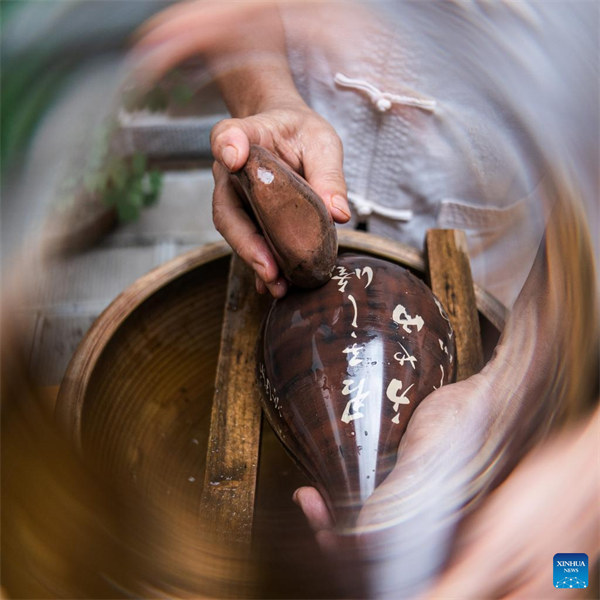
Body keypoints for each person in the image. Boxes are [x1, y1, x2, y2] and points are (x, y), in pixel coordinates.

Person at [132, 1, 599, 597]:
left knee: (566, 570)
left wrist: (529, 402)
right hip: (288, 222)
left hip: (509, 259)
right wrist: (263, 102)